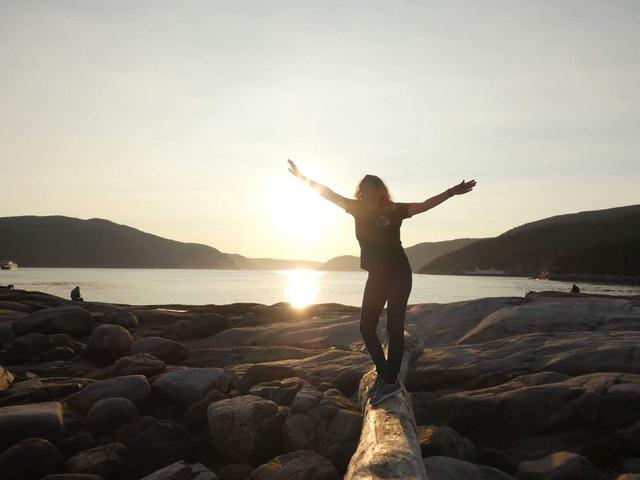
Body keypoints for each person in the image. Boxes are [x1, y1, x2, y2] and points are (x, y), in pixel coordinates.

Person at [287, 159, 476, 405]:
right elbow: (329, 194)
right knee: (366, 327)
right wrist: (302, 178)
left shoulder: (394, 210)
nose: (369, 193)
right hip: (376, 275)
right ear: (361, 192)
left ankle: (389, 383)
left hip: (399, 273)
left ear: (381, 191)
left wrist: (451, 192)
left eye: (374, 189)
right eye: (365, 189)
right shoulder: (356, 208)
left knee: (394, 329)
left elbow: (425, 205)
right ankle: (385, 373)